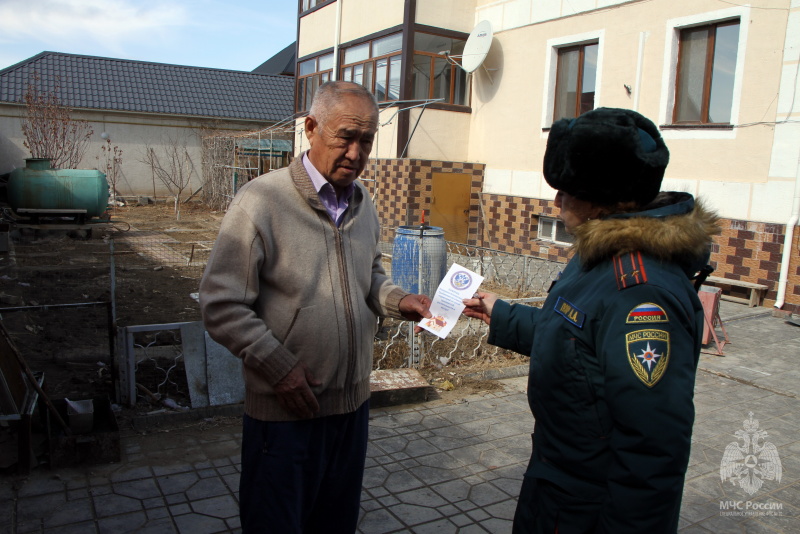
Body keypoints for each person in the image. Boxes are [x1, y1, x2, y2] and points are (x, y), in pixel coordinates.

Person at [463, 108, 719, 533]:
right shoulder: (601, 258)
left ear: (604, 199)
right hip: (557, 491)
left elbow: (651, 451)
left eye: (567, 190)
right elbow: (576, 341)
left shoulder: (641, 293)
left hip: (590, 508)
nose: (557, 201)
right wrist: (501, 312)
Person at [199, 81, 432, 533]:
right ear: (310, 128)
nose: (356, 151)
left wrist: (399, 300)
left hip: (352, 408)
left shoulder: (363, 204)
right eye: (346, 135)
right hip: (287, 415)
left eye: (367, 140)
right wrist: (278, 367)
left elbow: (371, 277)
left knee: (335, 524)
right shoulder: (261, 201)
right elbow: (221, 304)